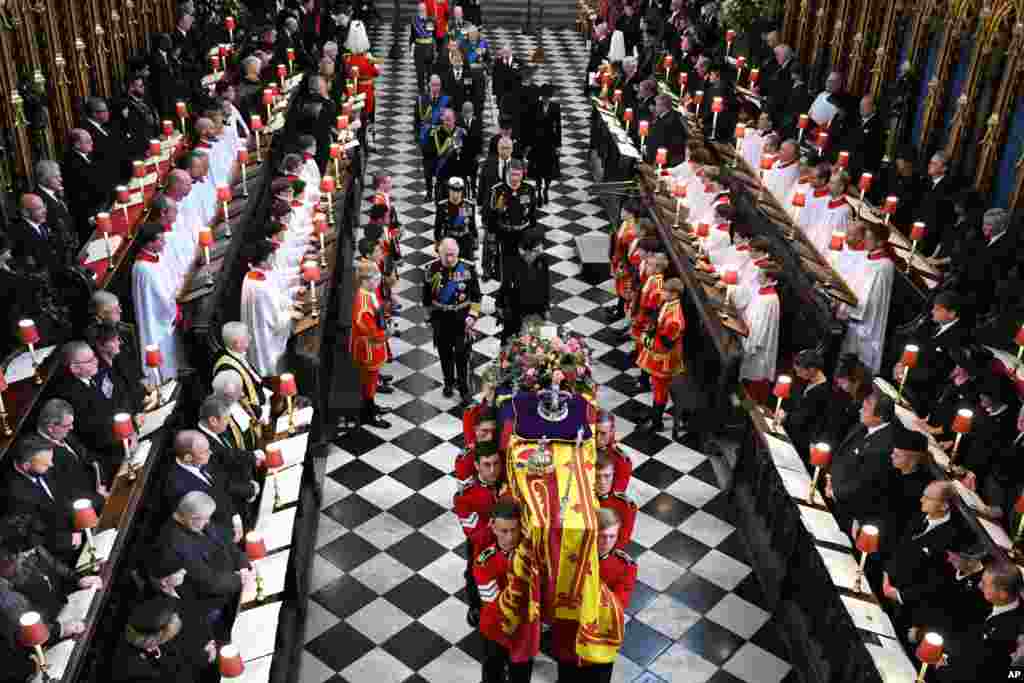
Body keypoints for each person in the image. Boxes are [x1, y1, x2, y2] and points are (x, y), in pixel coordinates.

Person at [554, 507, 636, 683]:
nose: (607, 542)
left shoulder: (624, 566)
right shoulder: (571, 556)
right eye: (602, 536)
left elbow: (619, 603)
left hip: (599, 638)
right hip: (570, 631)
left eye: (612, 536)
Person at [154, 490, 254, 630]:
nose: (208, 522)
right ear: (192, 518)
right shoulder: (174, 544)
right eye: (205, 519)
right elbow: (209, 582)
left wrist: (243, 566)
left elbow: (227, 544)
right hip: (217, 602)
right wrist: (241, 579)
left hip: (235, 579)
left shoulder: (197, 520)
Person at [933, 561, 1024, 682]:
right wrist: (944, 653)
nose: (980, 585)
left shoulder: (1011, 630)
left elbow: (980, 670)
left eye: (985, 584)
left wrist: (943, 668)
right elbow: (963, 630)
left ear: (1003, 594)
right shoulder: (987, 601)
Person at [474, 500, 534, 683]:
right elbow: (492, 603)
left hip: (524, 631)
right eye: (504, 531)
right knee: (492, 675)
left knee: (521, 677)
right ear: (493, 528)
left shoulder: (532, 557)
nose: (509, 537)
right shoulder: (484, 561)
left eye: (514, 530)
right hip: (495, 630)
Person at [825, 387, 896, 535]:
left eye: (865, 409)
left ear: (880, 417)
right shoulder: (863, 425)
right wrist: (830, 476)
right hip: (833, 487)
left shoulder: (883, 447)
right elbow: (842, 453)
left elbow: (863, 483)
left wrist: (834, 491)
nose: (860, 411)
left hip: (849, 507)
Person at [2, 438, 82, 563]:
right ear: (26, 466)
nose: (51, 465)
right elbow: (34, 535)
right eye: (46, 463)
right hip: (58, 548)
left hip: (74, 522)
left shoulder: (42, 465)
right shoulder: (15, 496)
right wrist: (68, 539)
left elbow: (64, 493)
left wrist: (80, 518)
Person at [423, 238, 482, 401]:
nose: (449, 259)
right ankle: (448, 383)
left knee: (462, 355)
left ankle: (464, 389)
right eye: (446, 255)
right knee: (445, 354)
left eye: (452, 255)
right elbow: (426, 299)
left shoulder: (468, 268)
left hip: (461, 319)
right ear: (439, 253)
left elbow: (476, 297)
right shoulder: (431, 269)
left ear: (457, 253)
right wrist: (429, 318)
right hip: (441, 319)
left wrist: (472, 316)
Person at [455, 446, 505, 626]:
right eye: (487, 465)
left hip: (509, 548)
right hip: (481, 548)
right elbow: (474, 535)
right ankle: (475, 608)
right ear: (476, 465)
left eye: (496, 464)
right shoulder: (465, 497)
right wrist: (494, 527)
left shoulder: (509, 485)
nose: (492, 470)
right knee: (473, 575)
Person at [109, 597, 213, 683]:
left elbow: (180, 645)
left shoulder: (150, 625)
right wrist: (202, 658)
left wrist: (206, 647)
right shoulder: (135, 669)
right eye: (170, 635)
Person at [839, 221, 895, 374]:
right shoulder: (866, 257)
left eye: (869, 239)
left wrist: (849, 310)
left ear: (880, 242)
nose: (865, 242)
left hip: (867, 320)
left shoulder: (884, 265)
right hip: (852, 313)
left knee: (859, 362)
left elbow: (872, 298)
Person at [241, 240, 300, 378]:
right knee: (272, 368)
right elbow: (273, 321)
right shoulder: (259, 287)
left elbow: (276, 296)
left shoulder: (254, 275)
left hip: (259, 331)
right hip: (265, 338)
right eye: (270, 258)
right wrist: (290, 315)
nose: (273, 261)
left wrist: (290, 304)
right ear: (262, 262)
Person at [35, 399, 108, 511]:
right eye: (67, 425)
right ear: (50, 428)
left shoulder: (63, 434)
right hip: (88, 508)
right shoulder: (44, 456)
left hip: (99, 490)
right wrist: (100, 498)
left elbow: (88, 457)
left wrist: (101, 482)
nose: (72, 428)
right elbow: (68, 496)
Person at [132, 223, 183, 380]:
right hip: (157, 321)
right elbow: (159, 299)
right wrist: (175, 309)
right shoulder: (143, 269)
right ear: (149, 243)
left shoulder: (156, 257)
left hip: (169, 308)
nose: (164, 243)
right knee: (166, 356)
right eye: (160, 240)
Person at [638, 277, 686, 433]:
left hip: (665, 360)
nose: (661, 292)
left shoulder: (674, 319)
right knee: (657, 387)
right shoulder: (667, 305)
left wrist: (645, 340)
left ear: (674, 294)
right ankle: (654, 415)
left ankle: (657, 423)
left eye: (665, 290)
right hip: (659, 355)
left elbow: (664, 345)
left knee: (660, 390)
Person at [882, 430, 938, 552]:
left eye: (897, 455)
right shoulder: (893, 467)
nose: (891, 456)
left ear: (912, 460)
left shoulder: (921, 489)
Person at [351, 260, 392, 428]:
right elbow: (370, 331)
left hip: (374, 346)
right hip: (367, 349)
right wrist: (386, 333)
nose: (378, 282)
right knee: (368, 383)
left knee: (372, 380)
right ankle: (367, 414)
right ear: (365, 280)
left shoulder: (370, 293)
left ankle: (372, 407)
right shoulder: (362, 302)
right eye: (375, 279)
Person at [213, 322, 268, 442]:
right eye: (246, 336)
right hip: (248, 422)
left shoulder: (235, 354)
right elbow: (240, 401)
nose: (250, 337)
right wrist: (260, 414)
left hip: (262, 408)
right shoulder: (226, 368)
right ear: (237, 343)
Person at [780, 349, 833, 460]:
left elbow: (805, 417)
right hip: (795, 432)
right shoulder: (806, 381)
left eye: (800, 371)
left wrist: (786, 416)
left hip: (804, 442)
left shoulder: (822, 392)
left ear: (812, 369)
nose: (797, 374)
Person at [739, 268, 781, 403]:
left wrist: (751, 344)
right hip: (748, 332)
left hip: (758, 345)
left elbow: (761, 327)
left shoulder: (770, 300)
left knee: (755, 375)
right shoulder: (762, 292)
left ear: (769, 279)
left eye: (760, 275)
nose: (757, 277)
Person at [501, 228, 549, 343]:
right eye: (537, 249)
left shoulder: (542, 261)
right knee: (512, 344)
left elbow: (545, 285)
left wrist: (546, 308)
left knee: (538, 344)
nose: (541, 250)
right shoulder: (512, 262)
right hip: (516, 311)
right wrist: (501, 306)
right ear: (528, 250)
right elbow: (505, 287)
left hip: (536, 310)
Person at [414, 75, 451, 201]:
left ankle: (438, 191)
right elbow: (417, 121)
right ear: (429, 85)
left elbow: (450, 120)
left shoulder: (446, 100)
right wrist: (417, 137)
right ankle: (429, 191)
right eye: (433, 84)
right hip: (426, 140)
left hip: (441, 139)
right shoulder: (421, 100)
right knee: (428, 168)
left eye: (438, 85)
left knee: (440, 167)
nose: (436, 87)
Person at [528, 84, 562, 205]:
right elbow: (529, 126)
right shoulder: (534, 106)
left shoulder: (555, 107)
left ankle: (546, 189)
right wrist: (529, 143)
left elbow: (558, 127)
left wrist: (559, 145)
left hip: (550, 143)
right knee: (537, 171)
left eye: (547, 97)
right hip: (537, 143)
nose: (545, 99)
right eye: (543, 97)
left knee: (548, 171)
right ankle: (538, 191)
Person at [595, 454, 636, 549]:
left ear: (614, 475)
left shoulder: (625, 505)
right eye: (597, 476)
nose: (602, 481)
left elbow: (621, 542)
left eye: (607, 476)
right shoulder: (581, 498)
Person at [429, 108, 467, 197]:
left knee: (459, 203)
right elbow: (433, 154)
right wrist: (446, 145)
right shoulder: (436, 133)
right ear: (442, 119)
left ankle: (460, 211)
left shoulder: (462, 133)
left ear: (454, 119)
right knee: (441, 200)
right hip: (443, 172)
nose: (447, 123)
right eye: (445, 120)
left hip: (458, 172)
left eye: (449, 120)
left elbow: (467, 154)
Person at [596, 410, 632, 493]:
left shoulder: (622, 460)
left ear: (612, 432)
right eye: (595, 432)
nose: (598, 438)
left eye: (603, 433)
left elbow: (617, 492)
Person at [409, 3, 436, 93]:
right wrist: (411, 50)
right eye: (420, 10)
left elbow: (434, 36)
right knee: (420, 73)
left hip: (429, 49)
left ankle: (430, 91)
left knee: (430, 73)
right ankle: (421, 92)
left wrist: (435, 50)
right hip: (419, 49)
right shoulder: (414, 21)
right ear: (418, 10)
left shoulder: (431, 20)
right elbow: (412, 37)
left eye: (423, 10)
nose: (422, 11)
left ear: (426, 10)